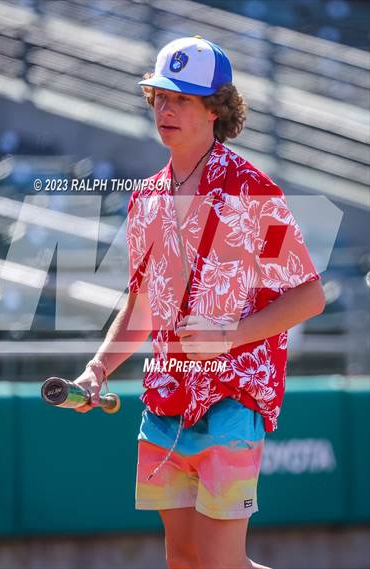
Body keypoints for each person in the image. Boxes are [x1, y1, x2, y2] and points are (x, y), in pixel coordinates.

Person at [73, 37, 326, 569]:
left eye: (182, 99)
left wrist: (229, 336)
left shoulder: (252, 192)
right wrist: (98, 369)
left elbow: (310, 296)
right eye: (160, 96)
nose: (165, 109)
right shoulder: (145, 197)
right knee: (185, 561)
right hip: (166, 395)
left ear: (216, 108)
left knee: (219, 563)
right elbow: (143, 305)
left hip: (233, 397)